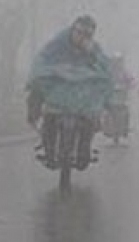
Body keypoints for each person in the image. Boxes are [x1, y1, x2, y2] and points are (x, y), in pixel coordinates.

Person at [26, 16, 114, 165]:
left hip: (81, 93)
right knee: (36, 91)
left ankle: (85, 147)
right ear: (72, 30)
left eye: (87, 35)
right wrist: (41, 75)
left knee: (93, 115)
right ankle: (40, 128)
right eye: (79, 32)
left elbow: (105, 69)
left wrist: (95, 57)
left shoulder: (94, 49)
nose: (81, 37)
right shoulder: (57, 44)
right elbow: (41, 60)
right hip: (57, 88)